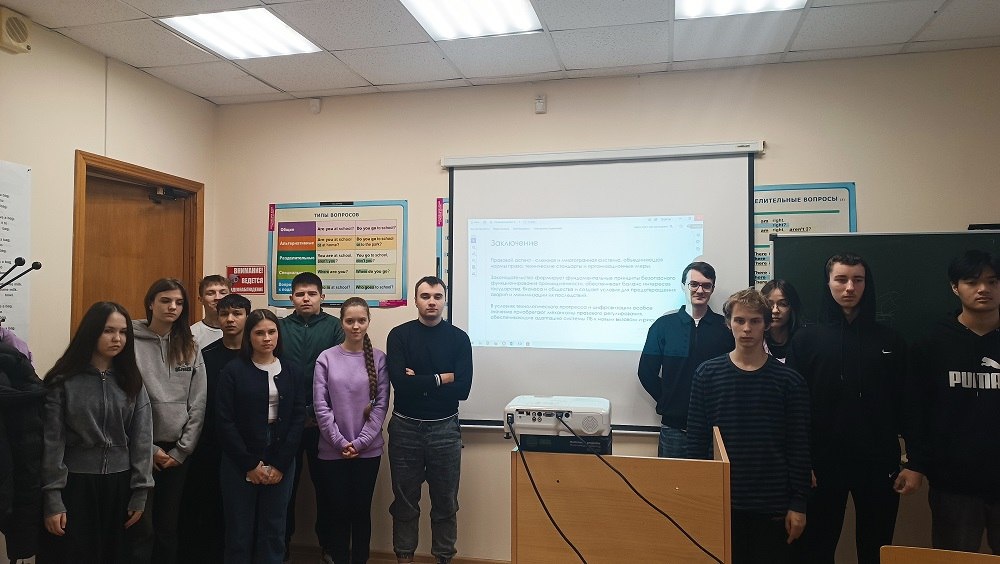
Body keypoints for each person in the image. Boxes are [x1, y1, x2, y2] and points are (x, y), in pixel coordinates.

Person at [787, 253, 911, 564]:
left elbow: (907, 402)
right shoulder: (806, 340)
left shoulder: (890, 340)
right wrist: (800, 462)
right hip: (822, 464)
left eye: (858, 280)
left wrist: (916, 461)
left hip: (878, 462)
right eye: (841, 279)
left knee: (876, 548)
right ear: (828, 283)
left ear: (867, 284)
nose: (849, 287)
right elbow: (794, 408)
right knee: (816, 549)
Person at [687, 289, 810, 563]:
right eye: (740, 320)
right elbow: (696, 442)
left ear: (766, 325)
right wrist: (697, 498)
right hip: (721, 502)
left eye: (755, 321)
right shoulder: (707, 375)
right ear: (728, 323)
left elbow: (798, 446)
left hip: (772, 506)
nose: (746, 329)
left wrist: (799, 503)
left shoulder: (789, 381)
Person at [39, 302, 153, 563]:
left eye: (123, 332)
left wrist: (140, 491)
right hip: (75, 484)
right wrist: (53, 497)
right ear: (91, 332)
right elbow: (52, 442)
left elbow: (142, 438)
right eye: (108, 331)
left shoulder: (132, 380)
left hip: (120, 485)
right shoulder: (62, 380)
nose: (117, 339)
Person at [904, 250, 1000, 553]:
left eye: (993, 281)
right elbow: (917, 409)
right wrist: (917, 463)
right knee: (954, 559)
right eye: (972, 281)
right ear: (955, 287)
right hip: (954, 484)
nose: (983, 289)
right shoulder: (932, 342)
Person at [387, 276, 473, 564]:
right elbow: (400, 384)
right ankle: (404, 558)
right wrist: (441, 378)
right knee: (405, 503)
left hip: (445, 429)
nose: (431, 302)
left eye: (437, 296)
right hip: (405, 428)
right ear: (416, 300)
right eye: (425, 296)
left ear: (445, 300)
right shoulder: (399, 335)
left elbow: (462, 389)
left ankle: (444, 558)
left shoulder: (459, 339)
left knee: (446, 503)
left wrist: (419, 380)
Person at [217, 309, 307, 563]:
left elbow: (298, 417)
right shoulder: (233, 371)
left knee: (274, 527)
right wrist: (249, 464)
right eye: (259, 333)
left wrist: (280, 464)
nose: (267, 338)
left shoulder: (292, 370)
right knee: (239, 529)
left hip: (280, 451)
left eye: (271, 332)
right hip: (240, 454)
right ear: (249, 336)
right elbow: (224, 421)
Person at [130, 278, 207, 564]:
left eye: (179, 302)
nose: (172, 307)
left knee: (168, 527)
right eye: (165, 300)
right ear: (151, 303)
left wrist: (181, 450)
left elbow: (198, 402)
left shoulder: (190, 345)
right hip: (139, 449)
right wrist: (148, 449)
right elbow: (124, 400)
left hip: (177, 453)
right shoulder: (129, 340)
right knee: (140, 526)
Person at [313, 297, 390, 564]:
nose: (356, 326)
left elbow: (381, 406)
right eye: (350, 321)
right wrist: (339, 441)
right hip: (331, 451)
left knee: (360, 512)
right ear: (342, 323)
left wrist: (359, 443)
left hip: (367, 452)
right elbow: (321, 406)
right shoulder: (326, 358)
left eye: (361, 320)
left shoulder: (379, 359)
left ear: (368, 321)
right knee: (336, 512)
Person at [178, 293, 251, 563]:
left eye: (237, 314)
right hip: (209, 444)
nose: (230, 319)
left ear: (247, 317)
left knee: (241, 514)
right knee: (208, 506)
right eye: (224, 314)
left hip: (246, 447)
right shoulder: (205, 355)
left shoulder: (257, 355)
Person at [278, 271, 345, 562]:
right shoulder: (279, 328)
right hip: (286, 422)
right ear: (291, 298)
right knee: (284, 489)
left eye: (312, 294)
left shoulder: (335, 327)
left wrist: (314, 413)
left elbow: (340, 375)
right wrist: (298, 414)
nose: (306, 298)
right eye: (300, 294)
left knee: (327, 489)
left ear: (322, 297)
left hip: (323, 423)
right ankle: (281, 547)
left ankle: (328, 547)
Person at [638, 261, 735, 458]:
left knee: (713, 479)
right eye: (694, 284)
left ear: (712, 288)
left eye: (706, 285)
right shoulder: (663, 326)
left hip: (715, 429)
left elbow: (733, 374)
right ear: (683, 285)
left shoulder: (725, 328)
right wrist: (669, 401)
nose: (700, 290)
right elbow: (646, 372)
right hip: (674, 429)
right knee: (671, 479)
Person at [761, 279, 803, 363]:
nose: (775, 311)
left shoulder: (803, 340)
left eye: (783, 304)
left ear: (792, 307)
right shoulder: (755, 340)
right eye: (769, 304)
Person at [190, 274, 232, 350]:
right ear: (201, 300)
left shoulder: (243, 332)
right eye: (210, 293)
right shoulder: (191, 334)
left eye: (223, 293)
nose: (217, 298)